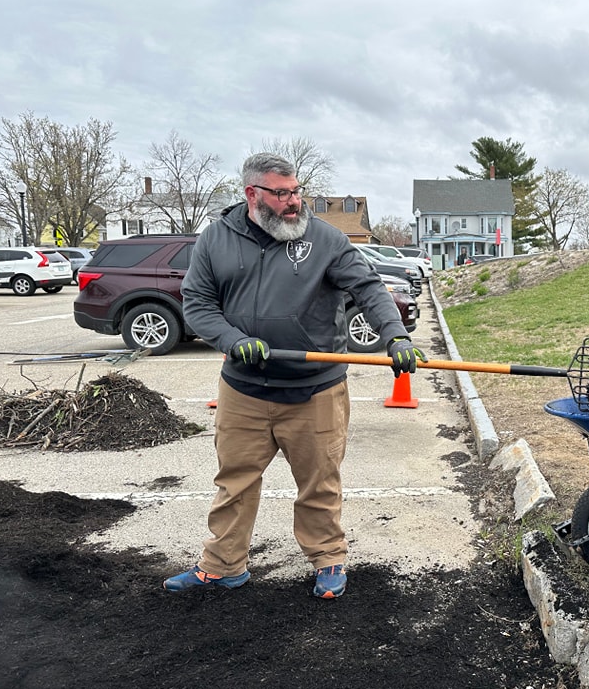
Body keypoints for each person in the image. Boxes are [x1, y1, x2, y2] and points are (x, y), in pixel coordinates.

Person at [163, 152, 426, 598]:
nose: (294, 201)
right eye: (282, 193)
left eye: (297, 191)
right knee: (234, 482)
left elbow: (367, 288)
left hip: (314, 389)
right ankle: (223, 565)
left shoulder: (324, 238)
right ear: (252, 194)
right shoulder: (215, 240)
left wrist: (395, 335)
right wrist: (231, 339)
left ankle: (328, 559)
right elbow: (199, 304)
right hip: (244, 390)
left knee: (319, 483)